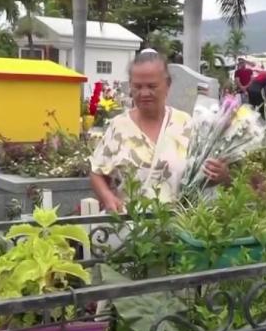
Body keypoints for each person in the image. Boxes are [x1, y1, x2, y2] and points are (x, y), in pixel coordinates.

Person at [90, 51, 229, 211]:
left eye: (152, 86)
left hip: (181, 226)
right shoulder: (118, 127)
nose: (144, 93)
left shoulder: (187, 125)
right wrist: (108, 197)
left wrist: (221, 175)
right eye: (137, 86)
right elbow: (97, 171)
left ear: (168, 84)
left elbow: (202, 177)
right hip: (132, 228)